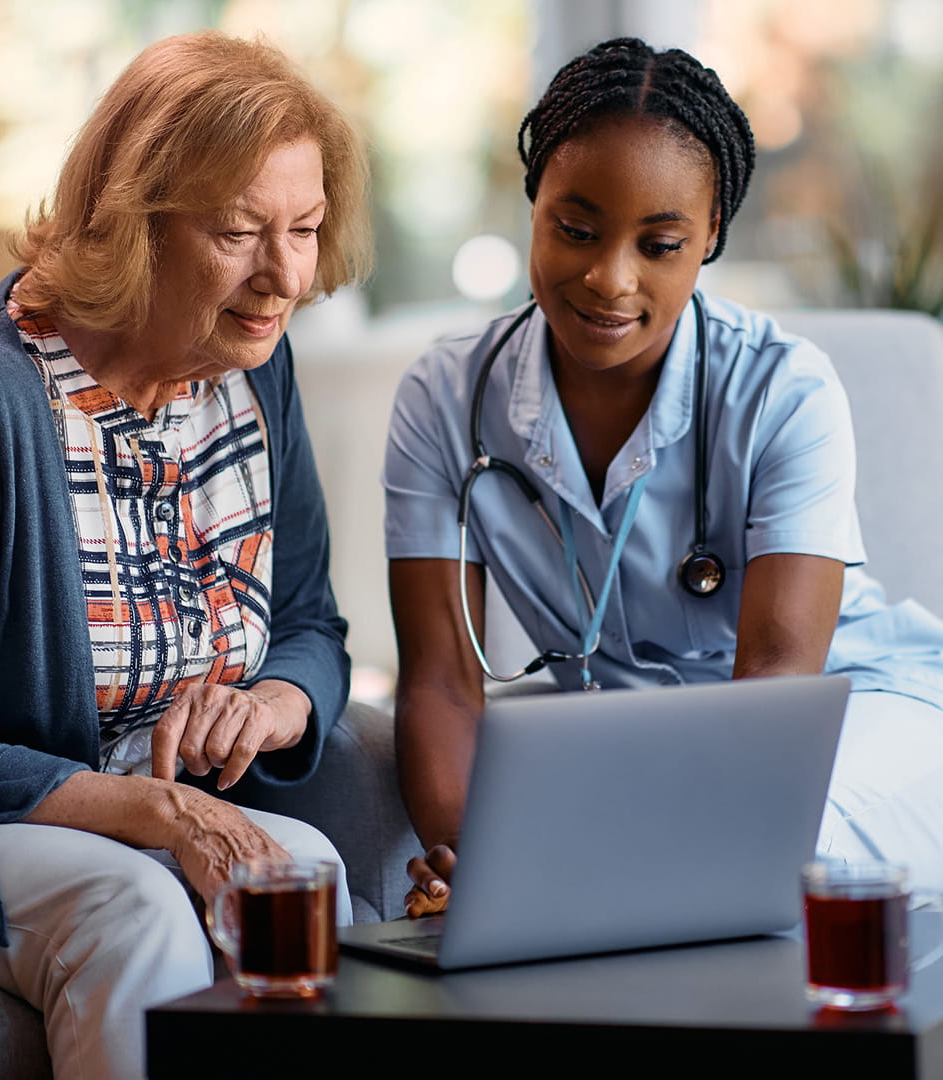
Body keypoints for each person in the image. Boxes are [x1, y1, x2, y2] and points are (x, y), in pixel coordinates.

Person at [0, 31, 371, 1080]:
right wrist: (160, 810)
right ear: (135, 226)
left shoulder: (251, 364)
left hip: (146, 823)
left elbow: (315, 625)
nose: (283, 275)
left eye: (307, 229)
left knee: (305, 870)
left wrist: (267, 705)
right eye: (239, 232)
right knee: (131, 902)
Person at [383, 37, 943, 918]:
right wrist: (471, 863)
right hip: (635, 754)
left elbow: (776, 689)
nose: (610, 279)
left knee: (788, 858)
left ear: (711, 237)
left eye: (661, 243)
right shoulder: (446, 397)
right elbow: (440, 683)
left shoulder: (782, 391)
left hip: (850, 719)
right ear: (533, 202)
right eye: (576, 230)